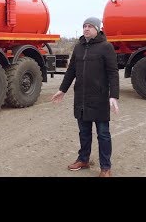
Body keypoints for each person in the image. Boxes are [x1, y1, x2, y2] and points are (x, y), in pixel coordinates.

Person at [51, 16, 119, 177]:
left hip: (99, 98)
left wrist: (113, 95)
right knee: (84, 132)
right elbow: (71, 71)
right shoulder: (79, 47)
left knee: (103, 134)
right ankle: (83, 159)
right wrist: (62, 90)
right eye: (84, 26)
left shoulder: (106, 47)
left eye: (90, 26)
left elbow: (113, 73)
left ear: (97, 29)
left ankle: (105, 167)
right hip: (81, 98)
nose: (86, 29)